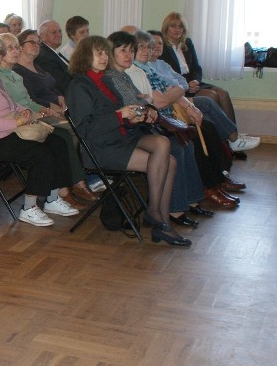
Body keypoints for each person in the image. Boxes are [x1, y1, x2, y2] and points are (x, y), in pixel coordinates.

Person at [66, 36, 191, 246]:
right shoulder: (79, 86)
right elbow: (86, 128)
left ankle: (158, 217)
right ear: (85, 56)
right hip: (101, 148)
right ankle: (159, 221)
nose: (104, 57)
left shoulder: (106, 80)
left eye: (106, 52)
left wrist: (137, 115)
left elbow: (123, 112)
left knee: (163, 144)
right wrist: (120, 116)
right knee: (169, 162)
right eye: (99, 53)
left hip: (122, 136)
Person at [0, 33, 80, 227]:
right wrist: (17, 123)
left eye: (0, 51)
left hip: (6, 131)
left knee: (58, 142)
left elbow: (9, 103)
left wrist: (23, 111)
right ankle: (29, 208)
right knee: (40, 153)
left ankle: (52, 199)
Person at [102, 31, 211, 227]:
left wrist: (151, 104)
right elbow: (147, 103)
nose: (130, 54)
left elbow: (151, 100)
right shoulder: (116, 76)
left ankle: (190, 199)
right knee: (176, 147)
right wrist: (152, 104)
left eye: (131, 50)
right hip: (133, 131)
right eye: (124, 50)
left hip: (147, 123)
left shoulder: (134, 73)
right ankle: (173, 210)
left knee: (186, 143)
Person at [0, 33, 97, 207]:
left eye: (15, 47)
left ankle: (69, 186)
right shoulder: (1, 75)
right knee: (66, 134)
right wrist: (46, 111)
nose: (15, 50)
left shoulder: (17, 74)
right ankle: (69, 186)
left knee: (70, 132)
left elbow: (29, 101)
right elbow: (17, 105)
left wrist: (48, 108)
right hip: (15, 124)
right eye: (10, 47)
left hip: (35, 115)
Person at [159, 12, 237, 125]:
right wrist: (186, 85)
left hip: (193, 82)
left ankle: (234, 135)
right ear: (166, 28)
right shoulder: (162, 47)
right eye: (173, 26)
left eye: (180, 26)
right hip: (178, 86)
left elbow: (197, 68)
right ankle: (219, 136)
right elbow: (166, 74)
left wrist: (195, 81)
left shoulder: (187, 43)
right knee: (211, 95)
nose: (177, 29)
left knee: (223, 93)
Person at [15, 29, 68, 112]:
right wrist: (51, 106)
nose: (36, 45)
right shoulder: (17, 70)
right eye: (32, 42)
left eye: (38, 43)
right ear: (20, 46)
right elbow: (31, 98)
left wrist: (59, 96)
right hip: (44, 112)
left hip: (59, 107)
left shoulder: (37, 67)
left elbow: (51, 86)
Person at [33, 19, 73, 95]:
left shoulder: (51, 52)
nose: (59, 35)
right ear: (42, 37)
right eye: (54, 32)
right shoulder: (44, 57)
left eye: (60, 31)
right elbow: (60, 84)